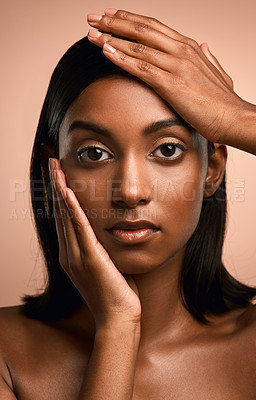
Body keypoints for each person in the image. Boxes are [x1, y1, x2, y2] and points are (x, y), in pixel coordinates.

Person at [0, 8, 256, 399]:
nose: (131, 191)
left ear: (212, 169)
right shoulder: (6, 354)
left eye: (167, 149)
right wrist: (117, 327)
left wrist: (241, 119)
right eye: (94, 154)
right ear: (54, 172)